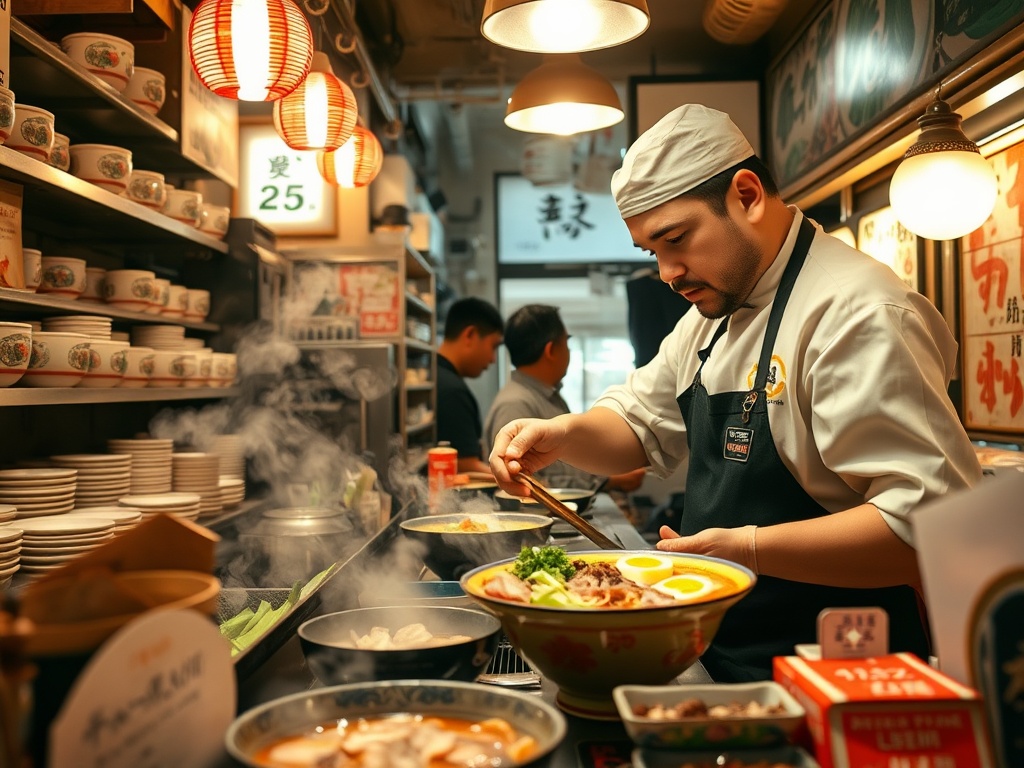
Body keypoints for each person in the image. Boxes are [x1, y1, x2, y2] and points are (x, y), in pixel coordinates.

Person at [489, 104, 982, 682]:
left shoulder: (856, 311)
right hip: (722, 658)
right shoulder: (713, 312)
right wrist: (564, 434)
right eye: (654, 253)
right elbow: (638, 426)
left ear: (746, 195)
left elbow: (924, 529)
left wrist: (746, 549)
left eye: (676, 240)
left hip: (834, 666)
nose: (668, 272)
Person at [483, 304, 645, 493]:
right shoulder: (515, 404)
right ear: (551, 350)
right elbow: (525, 481)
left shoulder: (548, 395)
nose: (568, 351)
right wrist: (608, 481)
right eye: (566, 342)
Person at [436, 296, 504, 474]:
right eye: (493, 346)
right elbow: (465, 466)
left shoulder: (436, 376)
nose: (492, 359)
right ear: (470, 335)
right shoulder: (451, 390)